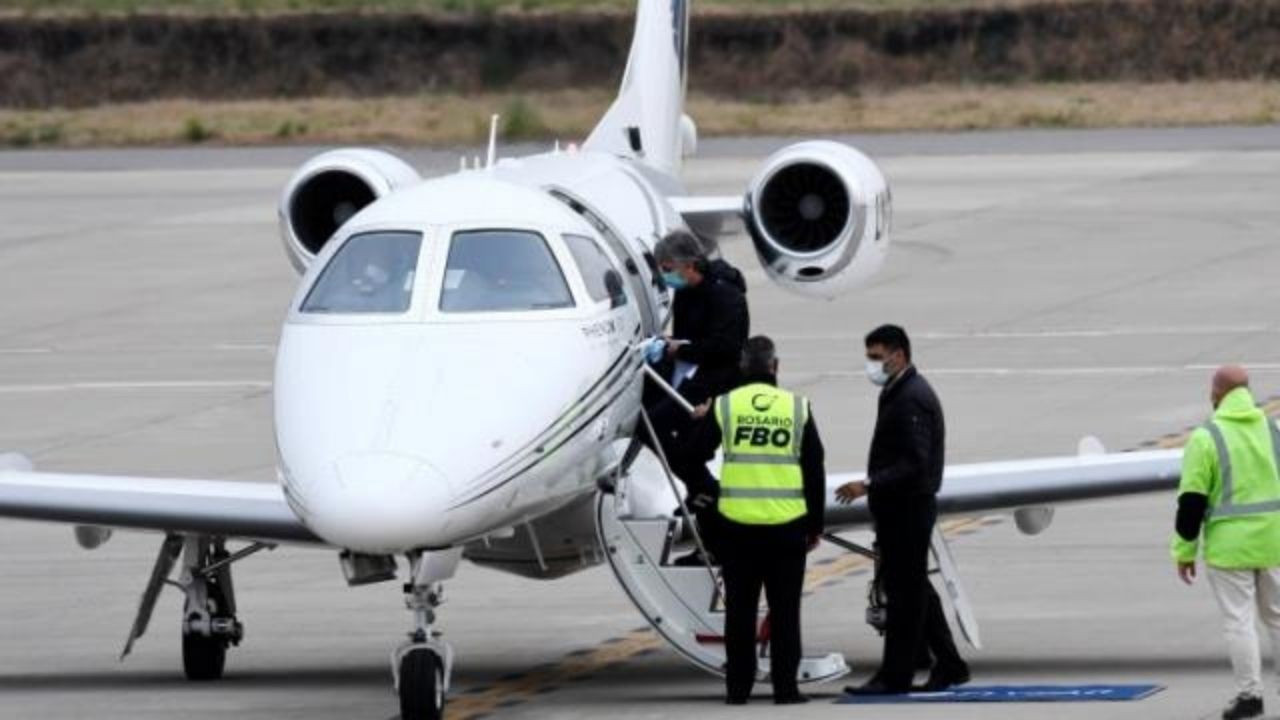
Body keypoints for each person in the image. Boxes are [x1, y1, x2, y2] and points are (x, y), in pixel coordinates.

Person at [680, 335, 826, 704]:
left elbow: (692, 453)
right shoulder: (797, 407)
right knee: (786, 613)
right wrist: (815, 524)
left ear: (743, 368)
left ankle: (737, 691)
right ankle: (786, 690)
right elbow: (814, 469)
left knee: (740, 614)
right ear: (775, 367)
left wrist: (710, 494)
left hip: (737, 529)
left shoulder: (726, 406)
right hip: (787, 528)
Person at [835, 324, 970, 695]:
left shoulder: (911, 397)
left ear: (898, 354)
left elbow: (915, 461)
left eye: (876, 357)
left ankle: (895, 676)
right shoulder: (899, 390)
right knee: (915, 591)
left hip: (908, 508)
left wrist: (869, 484)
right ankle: (951, 665)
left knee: (904, 597)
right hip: (900, 508)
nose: (871, 365)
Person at [1173, 365, 1280, 720]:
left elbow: (1191, 503)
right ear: (1248, 391)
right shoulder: (1274, 430)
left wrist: (1184, 551)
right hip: (1276, 543)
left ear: (1216, 394)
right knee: (1278, 619)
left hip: (1230, 549)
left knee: (1239, 623)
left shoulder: (1206, 438)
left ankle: (1250, 697)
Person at [643, 230, 749, 563]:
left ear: (689, 265)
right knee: (656, 430)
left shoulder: (725, 294)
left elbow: (727, 346)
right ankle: (702, 497)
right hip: (689, 375)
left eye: (667, 267)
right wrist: (670, 344)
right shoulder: (688, 293)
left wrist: (682, 348)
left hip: (713, 383)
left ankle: (706, 499)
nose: (665, 275)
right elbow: (691, 336)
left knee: (671, 437)